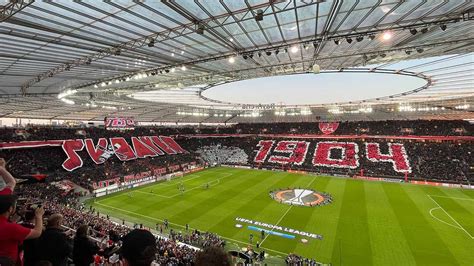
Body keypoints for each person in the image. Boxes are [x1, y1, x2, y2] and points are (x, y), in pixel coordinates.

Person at [0, 195, 44, 264]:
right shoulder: (12, 228)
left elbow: (8, 224)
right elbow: (37, 232)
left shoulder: (7, 225)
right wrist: (39, 216)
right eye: (15, 205)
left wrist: (19, 214)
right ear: (10, 209)